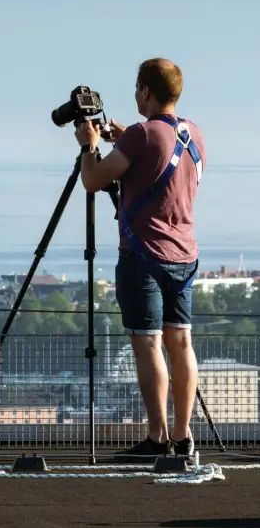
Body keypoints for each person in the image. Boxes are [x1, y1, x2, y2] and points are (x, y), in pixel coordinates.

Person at [74, 58, 205, 457]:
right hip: (184, 255)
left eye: (136, 87)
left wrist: (89, 146)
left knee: (147, 344)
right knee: (180, 342)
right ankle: (184, 437)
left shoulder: (141, 137)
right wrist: (127, 136)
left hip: (143, 255)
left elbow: (93, 180)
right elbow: (157, 157)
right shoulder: (194, 134)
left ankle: (157, 437)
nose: (134, 93)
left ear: (147, 91)